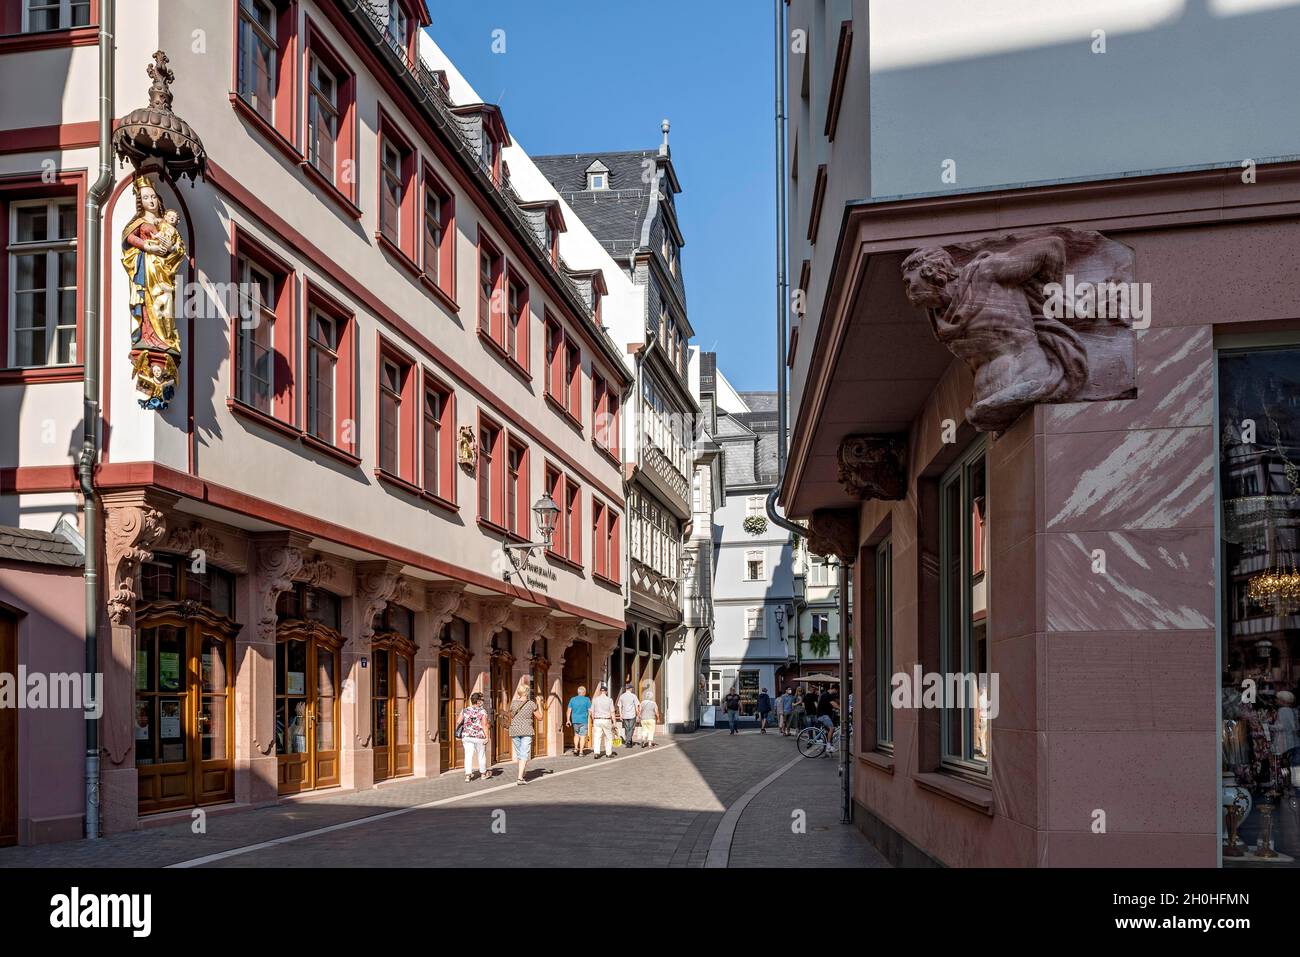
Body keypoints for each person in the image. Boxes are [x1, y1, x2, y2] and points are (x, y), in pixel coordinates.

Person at [507, 684, 540, 785]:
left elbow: (510, 714)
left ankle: (522, 772)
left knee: (520, 754)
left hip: (515, 730)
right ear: (527, 692)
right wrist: (539, 703)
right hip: (526, 730)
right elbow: (540, 717)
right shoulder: (531, 704)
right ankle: (520, 778)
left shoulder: (513, 703)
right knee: (524, 753)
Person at [458, 691, 491, 782]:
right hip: (479, 736)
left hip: (467, 736)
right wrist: (487, 737)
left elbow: (458, 721)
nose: (482, 701)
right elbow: (484, 725)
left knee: (468, 755)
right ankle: (483, 774)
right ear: (478, 701)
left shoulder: (465, 710)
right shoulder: (482, 711)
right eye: (482, 700)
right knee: (481, 755)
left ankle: (468, 775)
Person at [590, 683, 616, 758]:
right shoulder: (609, 700)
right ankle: (608, 753)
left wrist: (593, 719)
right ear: (606, 692)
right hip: (606, 720)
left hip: (597, 720)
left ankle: (596, 753)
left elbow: (592, 711)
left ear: (600, 691)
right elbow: (612, 712)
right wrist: (614, 722)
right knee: (608, 736)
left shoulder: (595, 700)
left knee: (597, 737)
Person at [566, 684, 592, 756]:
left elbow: (569, 710)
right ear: (583, 692)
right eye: (585, 692)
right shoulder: (587, 699)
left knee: (576, 734)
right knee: (582, 736)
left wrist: (568, 720)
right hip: (583, 721)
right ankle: (581, 752)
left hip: (575, 720)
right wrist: (592, 718)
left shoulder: (572, 699)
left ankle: (575, 748)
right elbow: (590, 710)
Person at [617, 681, 640, 748]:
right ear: (630, 689)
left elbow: (619, 706)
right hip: (632, 715)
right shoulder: (633, 696)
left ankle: (629, 742)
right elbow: (636, 705)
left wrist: (621, 715)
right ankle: (628, 741)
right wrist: (638, 714)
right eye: (631, 688)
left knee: (627, 729)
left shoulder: (622, 696)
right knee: (631, 728)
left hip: (624, 715)